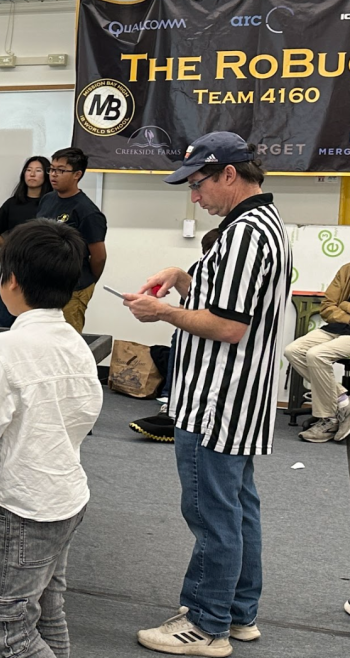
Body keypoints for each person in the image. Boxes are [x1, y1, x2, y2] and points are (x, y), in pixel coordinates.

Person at [123, 132, 289, 657]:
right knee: (237, 509)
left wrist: (163, 312)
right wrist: (181, 277)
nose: (195, 197)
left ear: (230, 174)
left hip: (217, 398)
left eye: (198, 184)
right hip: (240, 397)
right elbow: (232, 303)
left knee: (212, 514)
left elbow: (228, 326)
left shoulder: (244, 235)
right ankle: (237, 613)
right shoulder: (264, 225)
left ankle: (206, 623)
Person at [0, 219, 102, 658]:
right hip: (67, 495)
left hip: (24, 506)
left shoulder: (7, 346)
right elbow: (82, 408)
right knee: (48, 609)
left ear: (10, 281)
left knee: (7, 625)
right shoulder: (74, 342)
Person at [130, 228, 222, 443]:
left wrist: (161, 311)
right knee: (179, 336)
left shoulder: (232, 274)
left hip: (218, 327)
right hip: (196, 321)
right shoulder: (198, 269)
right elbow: (186, 307)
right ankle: (171, 398)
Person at [37, 148, 107, 333]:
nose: (53, 174)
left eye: (60, 170)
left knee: (66, 339)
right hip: (44, 285)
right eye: (51, 169)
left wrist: (86, 282)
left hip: (73, 288)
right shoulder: (47, 199)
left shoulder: (87, 211)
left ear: (77, 174)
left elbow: (99, 257)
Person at [284, 261, 350, 443]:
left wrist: (345, 305)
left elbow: (339, 305)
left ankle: (329, 419)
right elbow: (327, 307)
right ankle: (343, 401)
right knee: (294, 351)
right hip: (336, 328)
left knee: (317, 354)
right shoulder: (347, 269)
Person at [0, 156, 50, 327]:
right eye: (29, 170)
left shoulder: (50, 204)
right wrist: (11, 249)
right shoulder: (12, 203)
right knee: (5, 318)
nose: (32, 174)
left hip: (40, 268)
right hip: (12, 266)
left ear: (46, 175)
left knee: (35, 319)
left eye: (38, 171)